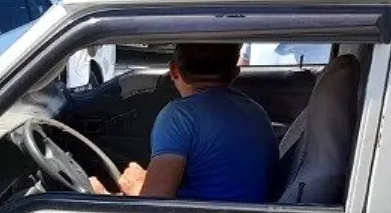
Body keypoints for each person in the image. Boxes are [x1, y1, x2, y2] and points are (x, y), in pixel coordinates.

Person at [93, 43, 277, 201]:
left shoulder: (179, 116)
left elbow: (155, 204)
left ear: (173, 71)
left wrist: (133, 187)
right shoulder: (255, 112)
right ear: (235, 71)